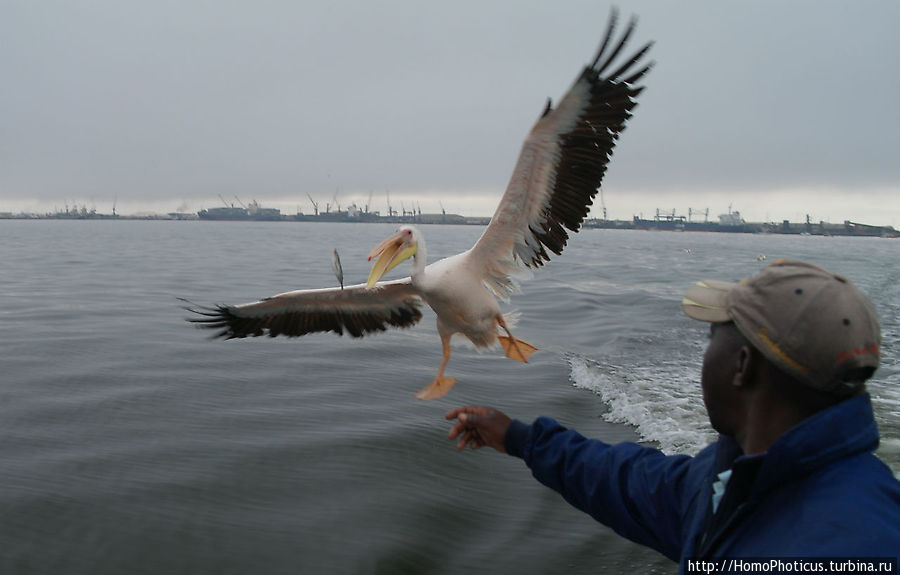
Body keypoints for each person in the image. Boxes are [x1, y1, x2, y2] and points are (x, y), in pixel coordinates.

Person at [446, 259, 900, 569]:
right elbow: (632, 482)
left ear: (742, 366)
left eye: (711, 339)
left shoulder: (852, 545)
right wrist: (519, 438)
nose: (704, 356)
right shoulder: (739, 478)